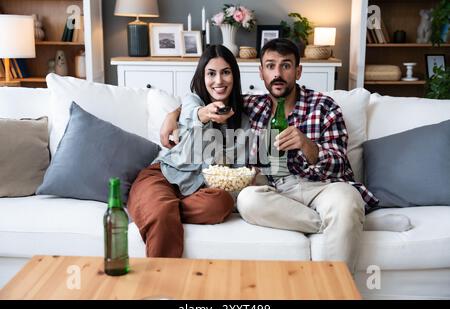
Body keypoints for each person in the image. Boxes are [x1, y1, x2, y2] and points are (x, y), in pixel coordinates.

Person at [160, 38, 379, 272]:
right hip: (275, 191)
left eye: (285, 65)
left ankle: (338, 288)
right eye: (270, 66)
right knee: (246, 200)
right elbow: (210, 101)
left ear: (298, 71)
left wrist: (308, 146)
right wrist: (173, 114)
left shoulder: (323, 105)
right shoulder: (251, 106)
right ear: (261, 73)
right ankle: (339, 223)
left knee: (346, 200)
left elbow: (340, 163)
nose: (278, 73)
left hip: (323, 187)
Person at [127, 45, 249, 258]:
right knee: (162, 211)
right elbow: (192, 114)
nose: (218, 81)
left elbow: (236, 168)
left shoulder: (244, 120)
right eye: (211, 73)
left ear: (234, 76)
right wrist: (204, 114)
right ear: (202, 77)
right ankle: (163, 283)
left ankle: (156, 210)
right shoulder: (193, 101)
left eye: (225, 72)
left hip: (199, 191)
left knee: (222, 203)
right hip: (163, 176)